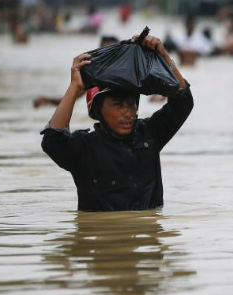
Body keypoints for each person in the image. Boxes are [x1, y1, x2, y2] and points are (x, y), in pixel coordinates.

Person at [40, 34, 193, 211]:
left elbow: (183, 102)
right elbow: (52, 140)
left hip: (146, 236)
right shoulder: (84, 148)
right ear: (97, 110)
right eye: (117, 105)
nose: (127, 113)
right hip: (102, 235)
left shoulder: (149, 134)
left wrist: (163, 55)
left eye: (131, 105)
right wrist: (74, 88)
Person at [34, 36, 119, 108]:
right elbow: (69, 99)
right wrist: (47, 100)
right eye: (105, 54)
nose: (108, 59)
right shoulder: (95, 77)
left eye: (112, 54)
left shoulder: (129, 73)